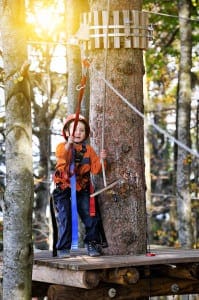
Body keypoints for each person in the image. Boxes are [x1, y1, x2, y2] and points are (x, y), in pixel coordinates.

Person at [52, 114, 107, 258]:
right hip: (64, 188)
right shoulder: (62, 147)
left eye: (82, 131)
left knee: (91, 217)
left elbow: (95, 169)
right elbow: (62, 157)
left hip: (81, 188)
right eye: (75, 130)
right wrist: (69, 144)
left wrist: (101, 160)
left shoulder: (88, 150)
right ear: (67, 132)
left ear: (85, 134)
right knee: (66, 217)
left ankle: (92, 244)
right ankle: (63, 247)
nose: (78, 133)